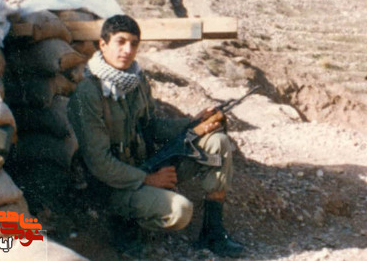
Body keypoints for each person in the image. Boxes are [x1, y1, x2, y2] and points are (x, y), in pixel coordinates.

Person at [68, 14, 244, 257]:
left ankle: (213, 232)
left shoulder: (135, 81)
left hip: (148, 167)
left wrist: (195, 123)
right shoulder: (88, 93)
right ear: (103, 44)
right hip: (113, 186)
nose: (127, 50)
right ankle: (125, 225)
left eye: (133, 44)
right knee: (180, 210)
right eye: (120, 42)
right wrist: (147, 179)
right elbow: (99, 163)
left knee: (217, 142)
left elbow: (151, 127)